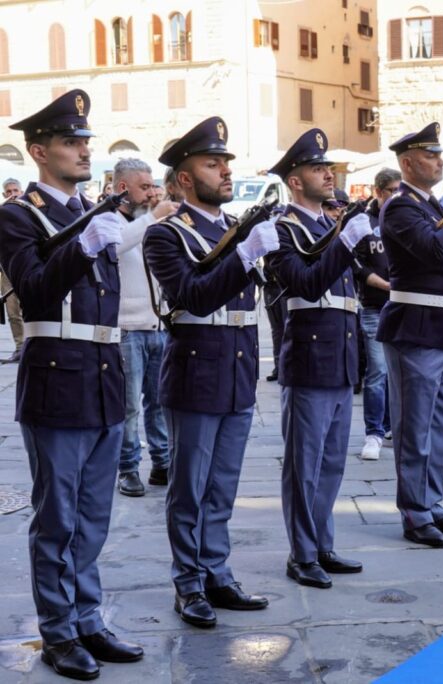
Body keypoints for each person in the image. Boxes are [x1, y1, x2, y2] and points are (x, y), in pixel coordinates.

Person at [0, 89, 144, 680]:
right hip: (57, 380)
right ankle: (57, 632)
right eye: (71, 141)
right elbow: (34, 291)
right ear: (38, 151)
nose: (84, 149)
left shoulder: (92, 211)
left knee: (93, 515)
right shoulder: (18, 215)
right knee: (56, 517)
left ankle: (88, 618)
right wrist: (84, 244)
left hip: (105, 378)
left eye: (85, 140)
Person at [144, 116, 274, 627]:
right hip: (196, 372)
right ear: (182, 178)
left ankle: (216, 571)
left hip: (237, 369)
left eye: (225, 163)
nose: (224, 171)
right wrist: (245, 256)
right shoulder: (166, 235)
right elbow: (192, 295)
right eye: (211, 163)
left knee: (222, 485)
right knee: (190, 487)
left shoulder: (232, 229)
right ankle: (188, 582)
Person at [265, 128, 370, 588]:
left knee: (331, 462)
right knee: (304, 464)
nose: (328, 174)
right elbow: (306, 283)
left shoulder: (328, 225)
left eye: (328, 167)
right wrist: (346, 241)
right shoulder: (282, 228)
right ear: (295, 180)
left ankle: (322, 543)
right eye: (317, 168)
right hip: (309, 357)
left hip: (341, 355)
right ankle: (301, 553)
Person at [377, 122, 443, 548]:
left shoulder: (431, 205)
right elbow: (438, 249)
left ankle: (432, 502)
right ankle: (414, 511)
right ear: (407, 163)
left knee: (439, 426)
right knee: (414, 428)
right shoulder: (401, 207)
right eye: (431, 155)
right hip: (416, 328)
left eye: (440, 155)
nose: (440, 161)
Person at [109, 158, 178, 497]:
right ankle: (128, 468)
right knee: (129, 405)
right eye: (145, 187)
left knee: (159, 401)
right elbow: (118, 244)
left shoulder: (150, 222)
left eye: (154, 186)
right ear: (123, 189)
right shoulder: (109, 220)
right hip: (127, 328)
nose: (152, 193)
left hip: (158, 325)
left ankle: (162, 463)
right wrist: (154, 216)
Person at [354, 168, 401, 460]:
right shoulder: (364, 222)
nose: (397, 196)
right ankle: (373, 432)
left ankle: (388, 425)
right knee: (378, 371)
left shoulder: (407, 219)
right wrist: (383, 284)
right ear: (379, 191)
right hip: (375, 305)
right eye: (392, 190)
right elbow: (357, 265)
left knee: (399, 373)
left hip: (404, 305)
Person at [1, 178, 25, 363]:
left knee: (30, 308)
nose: (13, 194)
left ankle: (31, 347)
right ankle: (19, 347)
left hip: (26, 267)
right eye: (8, 191)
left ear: (21, 191)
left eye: (15, 190)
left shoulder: (30, 210)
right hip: (7, 268)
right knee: (12, 311)